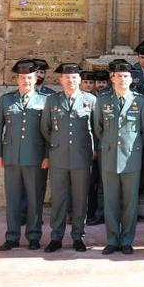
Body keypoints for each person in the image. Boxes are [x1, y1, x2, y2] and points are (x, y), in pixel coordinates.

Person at [92, 60, 144, 255]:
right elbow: (98, 128)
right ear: (112, 78)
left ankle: (127, 240)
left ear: (131, 79)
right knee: (110, 201)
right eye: (119, 76)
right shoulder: (102, 100)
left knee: (130, 202)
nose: (122, 79)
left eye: (126, 76)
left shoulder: (140, 101)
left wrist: (131, 148)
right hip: (109, 157)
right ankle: (112, 240)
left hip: (131, 159)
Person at [41, 63, 97, 252]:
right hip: (59, 157)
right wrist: (57, 145)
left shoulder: (90, 100)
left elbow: (96, 129)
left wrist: (92, 149)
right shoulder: (52, 100)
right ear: (61, 80)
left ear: (79, 80)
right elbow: (45, 128)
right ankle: (56, 237)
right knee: (59, 199)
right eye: (67, 78)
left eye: (74, 77)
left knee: (81, 199)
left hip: (82, 157)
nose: (71, 81)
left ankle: (78, 236)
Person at [0, 60, 48, 252]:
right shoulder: (6, 100)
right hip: (12, 157)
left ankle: (34, 235)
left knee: (35, 198)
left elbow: (49, 132)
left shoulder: (45, 100)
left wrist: (47, 155)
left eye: (29, 77)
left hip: (35, 157)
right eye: (22, 77)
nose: (26, 80)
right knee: (13, 199)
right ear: (17, 79)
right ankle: (12, 236)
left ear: (35, 79)